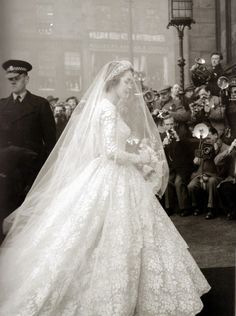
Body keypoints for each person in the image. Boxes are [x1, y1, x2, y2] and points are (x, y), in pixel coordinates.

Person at [0, 60, 210, 315]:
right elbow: (110, 152)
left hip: (111, 173)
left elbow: (110, 147)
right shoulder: (107, 109)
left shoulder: (105, 107)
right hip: (112, 174)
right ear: (113, 82)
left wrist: (136, 154)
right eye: (127, 82)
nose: (130, 87)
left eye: (132, 83)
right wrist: (142, 159)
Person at [0, 59, 56, 231]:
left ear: (26, 78)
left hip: (32, 172)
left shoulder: (40, 105)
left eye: (17, 78)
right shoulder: (2, 105)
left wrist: (43, 172)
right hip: (6, 171)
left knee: (29, 221)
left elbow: (51, 142)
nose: (13, 82)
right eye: (10, 79)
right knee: (5, 216)